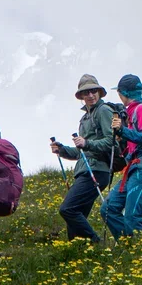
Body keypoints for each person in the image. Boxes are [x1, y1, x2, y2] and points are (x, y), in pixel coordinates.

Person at [52, 74, 115, 242]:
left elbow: (111, 142)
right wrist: (63, 150)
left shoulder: (104, 111)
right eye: (86, 92)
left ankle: (96, 242)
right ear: (81, 96)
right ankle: (80, 252)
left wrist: (87, 143)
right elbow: (82, 152)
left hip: (97, 169)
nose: (90, 95)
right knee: (76, 217)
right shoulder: (85, 117)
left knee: (68, 209)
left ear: (99, 92)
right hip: (86, 169)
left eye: (94, 91)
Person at [103, 75, 142, 239]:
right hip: (134, 169)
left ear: (122, 93)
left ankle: (139, 253)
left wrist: (122, 130)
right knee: (108, 209)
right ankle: (129, 247)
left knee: (132, 217)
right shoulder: (134, 111)